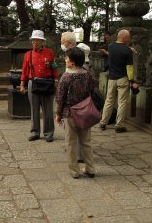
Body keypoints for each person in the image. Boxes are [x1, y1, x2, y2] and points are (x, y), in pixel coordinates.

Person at [55, 47, 95, 179]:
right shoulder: (88, 74)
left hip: (70, 113)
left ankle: (74, 171)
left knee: (71, 143)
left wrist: (58, 113)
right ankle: (90, 168)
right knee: (86, 141)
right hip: (85, 111)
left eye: (66, 58)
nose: (65, 60)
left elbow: (60, 98)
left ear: (72, 62)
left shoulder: (66, 77)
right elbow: (92, 92)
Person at [20, 30, 58, 142]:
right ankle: (35, 132)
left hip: (47, 83)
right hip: (33, 84)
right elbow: (24, 71)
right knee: (34, 109)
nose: (34, 42)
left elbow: (54, 67)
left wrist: (56, 80)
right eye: (32, 40)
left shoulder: (49, 53)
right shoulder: (28, 55)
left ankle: (48, 133)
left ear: (42, 41)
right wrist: (22, 85)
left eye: (36, 40)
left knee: (48, 110)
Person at [99, 29, 139, 133]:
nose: (129, 39)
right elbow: (129, 68)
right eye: (128, 37)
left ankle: (103, 122)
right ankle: (119, 125)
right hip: (123, 79)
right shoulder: (127, 51)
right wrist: (132, 81)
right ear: (124, 38)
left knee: (109, 100)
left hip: (112, 78)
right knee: (121, 102)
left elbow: (118, 49)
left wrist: (129, 48)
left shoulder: (111, 46)